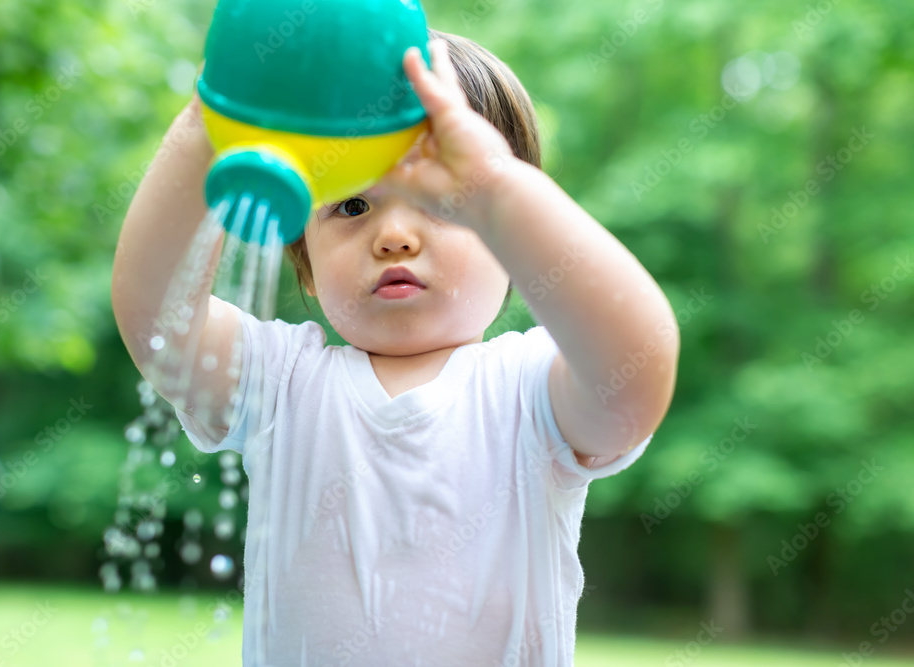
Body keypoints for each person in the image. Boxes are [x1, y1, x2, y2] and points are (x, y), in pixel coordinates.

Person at [112, 28, 679, 667]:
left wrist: (496, 186)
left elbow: (635, 372)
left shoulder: (530, 392)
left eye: (447, 204)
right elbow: (155, 314)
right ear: (304, 262)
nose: (395, 236)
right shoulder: (281, 387)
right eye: (353, 204)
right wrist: (210, 118)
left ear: (516, 244)